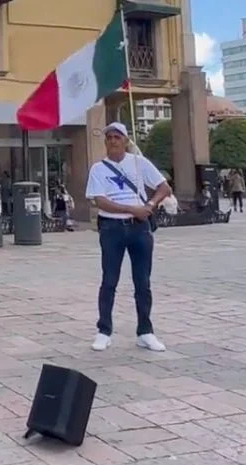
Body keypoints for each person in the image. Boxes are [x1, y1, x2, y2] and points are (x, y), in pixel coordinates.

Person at [85, 122, 171, 353]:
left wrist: (150, 205)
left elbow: (164, 187)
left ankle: (145, 331)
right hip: (112, 227)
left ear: (125, 140)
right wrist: (131, 209)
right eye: (109, 137)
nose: (113, 141)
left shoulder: (138, 163)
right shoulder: (98, 169)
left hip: (139, 228)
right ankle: (104, 331)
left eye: (117, 137)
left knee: (142, 281)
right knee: (109, 280)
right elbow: (100, 201)